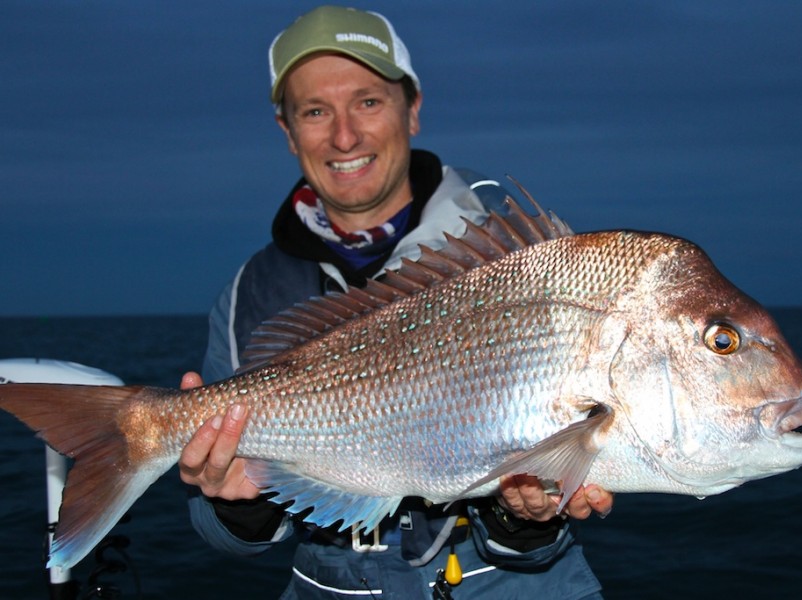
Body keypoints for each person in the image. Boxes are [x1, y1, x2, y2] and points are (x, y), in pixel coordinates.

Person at [178, 6, 613, 598]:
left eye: (368, 101)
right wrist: (239, 503)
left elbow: (546, 521)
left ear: (412, 108)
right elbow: (223, 533)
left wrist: (525, 515)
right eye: (314, 111)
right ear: (287, 131)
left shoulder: (516, 259)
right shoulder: (250, 291)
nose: (344, 136)